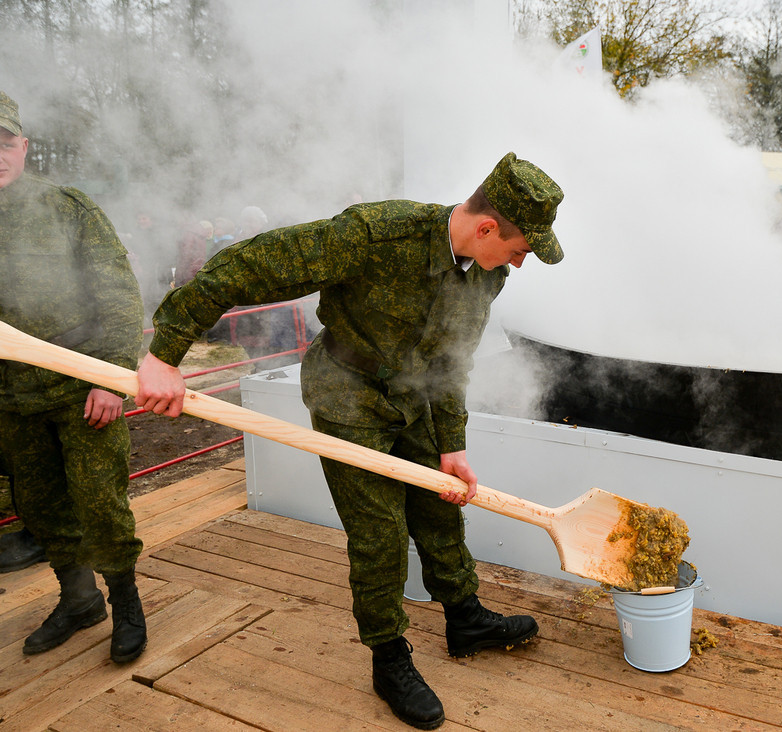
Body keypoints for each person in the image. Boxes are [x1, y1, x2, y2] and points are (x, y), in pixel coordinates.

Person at [136, 152, 564, 730]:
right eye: (519, 249)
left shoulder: (487, 272)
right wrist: (164, 355)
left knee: (440, 508)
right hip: (349, 395)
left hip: (417, 399)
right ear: (486, 227)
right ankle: (389, 658)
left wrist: (452, 445)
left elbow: (452, 360)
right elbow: (246, 266)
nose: (520, 263)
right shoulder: (374, 234)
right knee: (380, 533)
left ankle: (464, 617)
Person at [0, 90, 147, 662]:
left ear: (23, 145)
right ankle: (79, 601)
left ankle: (127, 602)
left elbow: (118, 296)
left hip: (79, 386)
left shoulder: (67, 207)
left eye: (4, 141)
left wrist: (109, 378)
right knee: (40, 507)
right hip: (11, 395)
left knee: (100, 503)